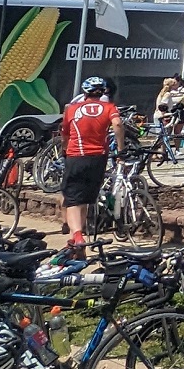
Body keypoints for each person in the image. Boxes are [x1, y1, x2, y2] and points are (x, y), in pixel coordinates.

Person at [57, 76, 125, 256]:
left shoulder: (72, 109)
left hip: (76, 156)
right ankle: (78, 241)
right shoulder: (109, 107)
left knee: (72, 199)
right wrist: (121, 148)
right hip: (98, 158)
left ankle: (78, 235)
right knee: (86, 197)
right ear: (103, 92)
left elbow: (65, 133)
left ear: (84, 93)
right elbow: (117, 124)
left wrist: (64, 149)